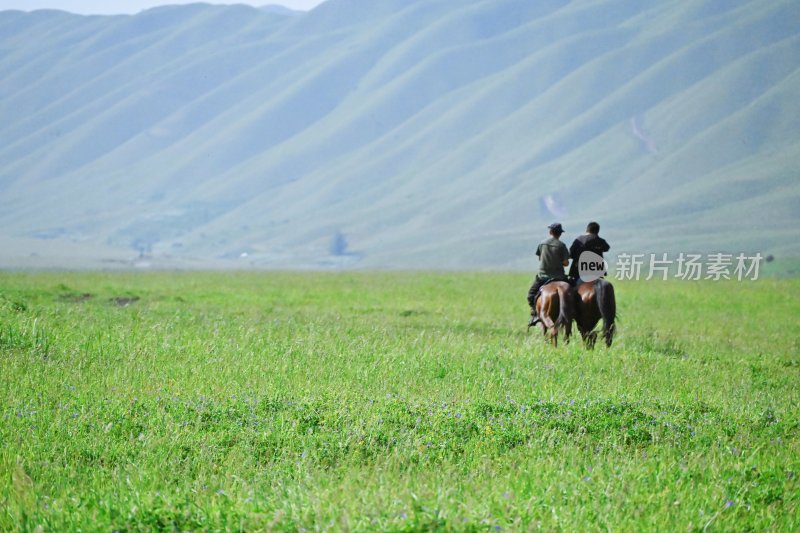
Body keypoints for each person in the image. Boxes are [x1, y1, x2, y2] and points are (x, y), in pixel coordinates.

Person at [527, 222, 570, 327]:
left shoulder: (542, 244)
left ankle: (535, 314)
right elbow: (566, 263)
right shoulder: (562, 245)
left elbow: (540, 258)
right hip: (559, 277)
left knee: (531, 295)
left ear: (550, 231)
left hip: (543, 277)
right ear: (560, 234)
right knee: (573, 293)